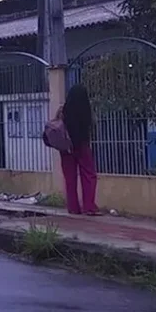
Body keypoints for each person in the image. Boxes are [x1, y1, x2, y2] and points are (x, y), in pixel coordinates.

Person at [60, 84, 100, 215]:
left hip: (66, 148)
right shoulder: (86, 110)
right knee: (89, 175)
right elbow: (92, 125)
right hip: (82, 145)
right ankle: (89, 206)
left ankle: (73, 207)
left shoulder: (63, 110)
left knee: (70, 178)